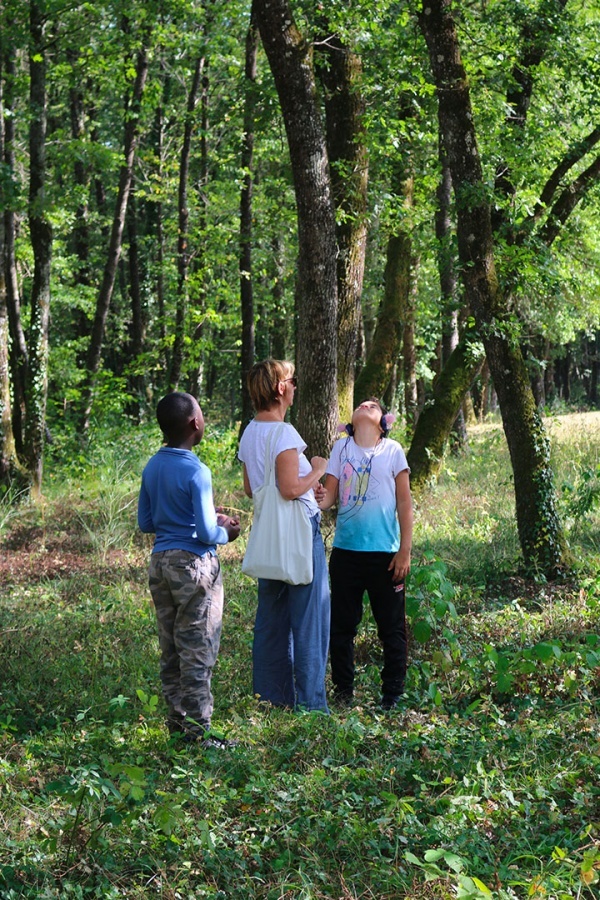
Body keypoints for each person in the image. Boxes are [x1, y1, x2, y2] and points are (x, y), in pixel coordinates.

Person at [138, 391, 241, 747]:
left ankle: (177, 728)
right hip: (195, 566)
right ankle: (202, 735)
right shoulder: (197, 470)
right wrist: (226, 531)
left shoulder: (153, 465)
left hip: (161, 564)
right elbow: (208, 533)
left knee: (171, 647)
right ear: (195, 423)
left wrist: (192, 519)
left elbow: (146, 522)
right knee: (197, 647)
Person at [238, 359, 330, 712]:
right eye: (293, 381)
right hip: (298, 533)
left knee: (272, 619)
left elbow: (251, 487)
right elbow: (290, 488)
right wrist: (318, 469)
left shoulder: (249, 432)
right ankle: (312, 706)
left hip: (269, 535)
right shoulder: (285, 433)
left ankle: (271, 697)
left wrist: (310, 489)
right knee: (310, 618)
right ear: (280, 388)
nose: (295, 387)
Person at [318, 398, 413, 709]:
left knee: (392, 627)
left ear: (382, 421)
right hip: (346, 554)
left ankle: (392, 695)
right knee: (342, 626)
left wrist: (404, 551)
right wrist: (316, 494)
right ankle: (344, 692)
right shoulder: (340, 449)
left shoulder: (393, 451)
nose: (366, 404)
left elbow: (404, 503)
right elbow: (329, 498)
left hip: (385, 555)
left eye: (373, 405)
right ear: (353, 418)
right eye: (361, 403)